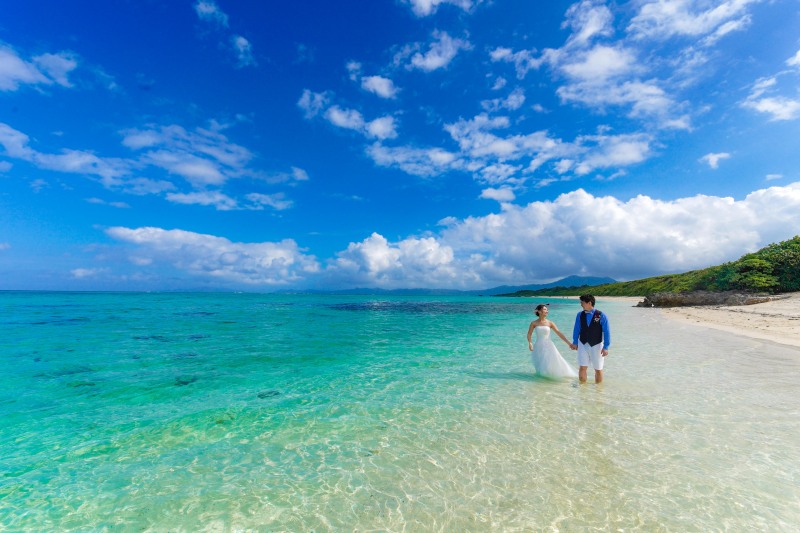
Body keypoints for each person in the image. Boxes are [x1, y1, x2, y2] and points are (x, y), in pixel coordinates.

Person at [526, 304, 578, 380]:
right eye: (545, 309)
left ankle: (550, 379)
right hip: (538, 346)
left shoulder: (550, 323)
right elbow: (529, 334)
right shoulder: (534, 323)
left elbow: (559, 333)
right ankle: (541, 383)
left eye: (547, 310)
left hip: (548, 346)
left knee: (550, 363)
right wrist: (530, 343)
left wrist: (569, 343)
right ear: (539, 311)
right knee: (540, 365)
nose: (547, 311)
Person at [571, 294, 611, 384]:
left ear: (589, 303)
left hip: (597, 345)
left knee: (598, 369)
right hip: (582, 344)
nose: (581, 304)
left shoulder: (601, 315)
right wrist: (575, 342)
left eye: (582, 302)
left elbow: (607, 332)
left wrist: (606, 347)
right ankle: (583, 390)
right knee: (582, 367)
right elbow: (576, 329)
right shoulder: (580, 315)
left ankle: (598, 392)